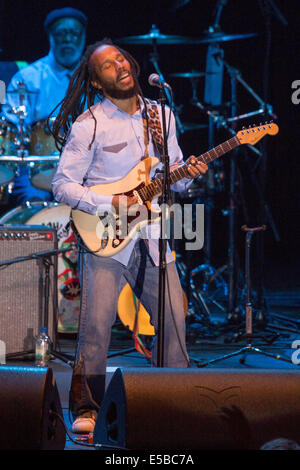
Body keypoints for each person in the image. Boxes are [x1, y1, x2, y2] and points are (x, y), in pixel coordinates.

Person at [51, 38, 208, 434]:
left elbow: (170, 180)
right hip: (106, 233)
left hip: (153, 230)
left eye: (121, 58)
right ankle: (87, 408)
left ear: (133, 64)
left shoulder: (162, 114)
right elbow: (63, 186)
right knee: (97, 327)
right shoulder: (91, 123)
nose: (118, 65)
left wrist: (188, 177)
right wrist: (109, 202)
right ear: (98, 82)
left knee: (173, 317)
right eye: (107, 65)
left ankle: (176, 397)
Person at [2, 7, 87, 204]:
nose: (68, 39)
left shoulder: (96, 77)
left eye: (74, 33)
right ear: (50, 36)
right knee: (35, 201)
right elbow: (11, 126)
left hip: (87, 164)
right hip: (36, 165)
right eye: (61, 33)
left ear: (83, 36)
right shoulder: (27, 78)